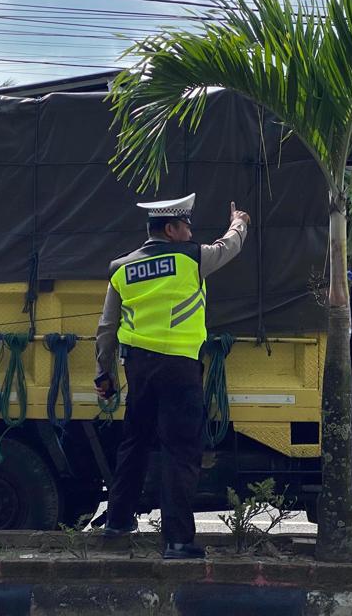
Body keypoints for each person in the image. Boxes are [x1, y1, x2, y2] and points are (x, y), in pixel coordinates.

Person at [95, 193, 250, 559]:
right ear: (170, 229)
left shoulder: (121, 268)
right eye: (186, 226)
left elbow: (106, 328)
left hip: (139, 369)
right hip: (180, 369)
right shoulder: (192, 258)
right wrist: (239, 221)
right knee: (180, 452)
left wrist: (105, 375)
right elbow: (229, 246)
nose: (190, 232)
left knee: (133, 444)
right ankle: (177, 541)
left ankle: (117, 522)